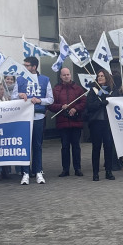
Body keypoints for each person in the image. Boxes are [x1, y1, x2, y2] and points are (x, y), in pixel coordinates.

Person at [17, 57, 53, 185]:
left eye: (27, 65)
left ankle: (38, 171)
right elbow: (12, 97)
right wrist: (19, 95)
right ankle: (25, 172)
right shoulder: (20, 79)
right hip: (24, 116)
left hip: (38, 115)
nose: (25, 67)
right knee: (25, 145)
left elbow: (50, 99)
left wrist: (39, 101)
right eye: (24, 65)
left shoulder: (44, 79)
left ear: (34, 67)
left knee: (37, 145)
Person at [49, 67, 86, 177]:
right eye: (64, 75)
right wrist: (61, 107)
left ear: (70, 75)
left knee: (76, 146)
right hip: (63, 122)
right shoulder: (56, 90)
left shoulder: (78, 89)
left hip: (76, 121)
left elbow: (83, 102)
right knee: (65, 147)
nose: (66, 76)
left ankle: (77, 168)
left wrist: (76, 109)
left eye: (68, 74)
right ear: (61, 76)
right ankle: (65, 169)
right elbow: (51, 105)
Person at [84, 69, 116, 181]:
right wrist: (100, 103)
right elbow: (89, 105)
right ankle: (95, 173)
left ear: (107, 77)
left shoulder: (112, 90)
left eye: (102, 76)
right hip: (96, 122)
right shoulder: (93, 90)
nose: (100, 77)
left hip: (108, 122)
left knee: (108, 148)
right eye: (98, 76)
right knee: (96, 148)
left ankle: (108, 171)